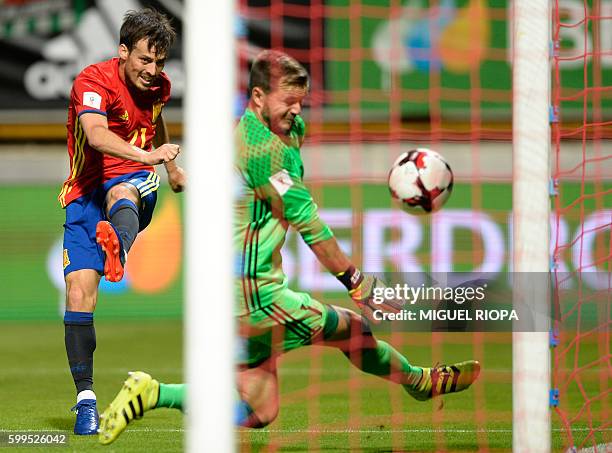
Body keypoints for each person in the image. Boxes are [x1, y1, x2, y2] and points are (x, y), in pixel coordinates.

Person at [97, 50, 480, 445]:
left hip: (234, 294)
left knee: (261, 410)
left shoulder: (281, 130)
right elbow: (310, 227)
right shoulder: (262, 150)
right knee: (352, 328)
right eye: (288, 100)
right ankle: (419, 382)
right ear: (258, 97)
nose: (297, 110)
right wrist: (358, 282)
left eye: (302, 100)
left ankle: (153, 392)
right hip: (254, 292)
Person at [60, 8, 185, 435]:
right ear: (123, 51)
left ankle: (120, 244)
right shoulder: (92, 82)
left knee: (123, 192)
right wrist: (153, 156)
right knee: (79, 293)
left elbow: (156, 118)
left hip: (132, 179)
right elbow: (95, 136)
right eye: (145, 60)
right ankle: (86, 402)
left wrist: (167, 169)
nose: (153, 71)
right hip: (82, 195)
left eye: (160, 63)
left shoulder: (158, 88)